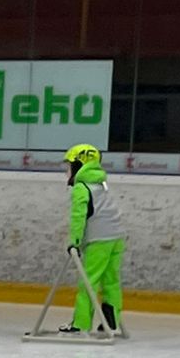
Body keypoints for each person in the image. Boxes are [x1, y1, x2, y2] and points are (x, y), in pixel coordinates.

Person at [63, 142, 125, 336]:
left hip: (99, 240)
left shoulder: (81, 188)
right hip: (117, 237)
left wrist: (74, 242)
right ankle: (111, 321)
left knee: (88, 282)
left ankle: (81, 324)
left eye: (69, 166)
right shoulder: (100, 183)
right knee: (111, 280)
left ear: (78, 165)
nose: (66, 172)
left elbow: (78, 216)